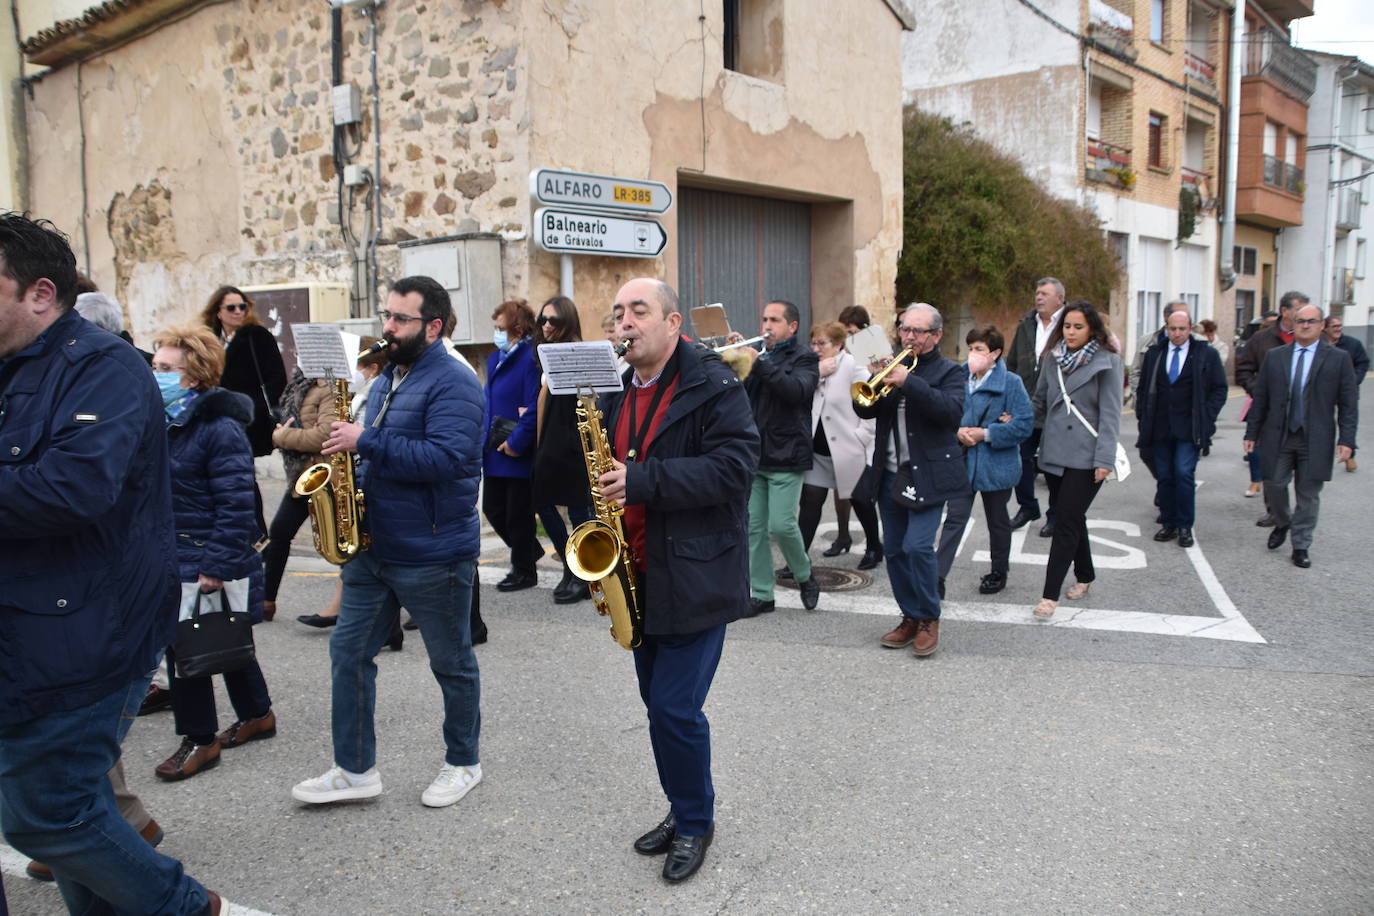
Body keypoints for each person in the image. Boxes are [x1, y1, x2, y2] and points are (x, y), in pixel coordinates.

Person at [0, 212, 233, 914]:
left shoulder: (102, 368)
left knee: (48, 815)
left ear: (40, 294)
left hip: (88, 626)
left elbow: (72, 488)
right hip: (34, 624)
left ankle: (187, 907)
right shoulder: (17, 366)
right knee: (72, 806)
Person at [292, 275, 485, 809]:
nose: (389, 327)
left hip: (432, 550)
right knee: (348, 653)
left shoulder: (456, 382)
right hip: (372, 546)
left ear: (433, 327)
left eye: (401, 319)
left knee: (451, 664)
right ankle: (354, 769)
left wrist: (366, 440)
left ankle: (463, 762)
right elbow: (372, 447)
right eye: (387, 315)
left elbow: (448, 459)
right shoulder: (387, 378)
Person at [596, 277, 758, 882]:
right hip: (638, 572)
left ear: (672, 324)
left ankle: (695, 822)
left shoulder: (715, 384)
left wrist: (644, 481)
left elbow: (735, 469)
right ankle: (681, 804)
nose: (625, 322)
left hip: (696, 573)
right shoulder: (617, 389)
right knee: (657, 707)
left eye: (639, 311)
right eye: (619, 313)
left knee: (674, 709)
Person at [149, 326, 277, 781]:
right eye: (155, 365)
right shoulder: (165, 421)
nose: (156, 374)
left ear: (195, 376)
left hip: (202, 554)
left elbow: (237, 504)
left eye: (166, 368)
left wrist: (216, 566)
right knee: (223, 635)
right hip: (175, 550)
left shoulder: (218, 429)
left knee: (186, 651)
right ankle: (258, 714)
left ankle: (199, 740)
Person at [858, 303, 965, 657]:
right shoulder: (892, 364)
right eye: (904, 328)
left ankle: (929, 617)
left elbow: (951, 412)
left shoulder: (950, 371)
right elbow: (864, 409)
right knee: (894, 550)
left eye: (918, 331)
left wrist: (909, 382)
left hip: (928, 474)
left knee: (918, 547)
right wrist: (874, 380)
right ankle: (909, 615)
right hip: (889, 472)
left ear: (936, 335)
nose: (909, 336)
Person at [1244, 304, 1359, 568]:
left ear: (1322, 325)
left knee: (1308, 494)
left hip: (1315, 438)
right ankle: (1283, 522)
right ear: (1293, 324)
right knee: (1273, 483)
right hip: (1279, 435)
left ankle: (1301, 544)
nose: (1305, 326)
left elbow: (1348, 404)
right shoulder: (1275, 357)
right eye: (1300, 321)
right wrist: (1252, 432)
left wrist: (1347, 440)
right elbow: (1261, 398)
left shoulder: (1338, 359)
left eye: (1311, 321)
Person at [1030, 302, 1123, 619]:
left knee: (1065, 521)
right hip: (1055, 451)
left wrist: (1105, 459)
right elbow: (1039, 403)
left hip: (1087, 455)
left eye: (1078, 327)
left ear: (1092, 329)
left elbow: (1111, 415)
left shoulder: (1107, 362)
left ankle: (1049, 595)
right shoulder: (1052, 358)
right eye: (1067, 326)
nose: (1071, 332)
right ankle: (1085, 574)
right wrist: (1014, 420)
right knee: (1072, 516)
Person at [295, 339, 394, 631]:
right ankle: (384, 627)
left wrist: (358, 440)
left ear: (372, 369)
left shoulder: (380, 390)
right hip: (358, 476)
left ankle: (385, 626)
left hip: (371, 478)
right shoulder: (361, 394)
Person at [731, 300, 822, 613]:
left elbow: (796, 391)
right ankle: (763, 594)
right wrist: (736, 358)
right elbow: (739, 394)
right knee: (754, 528)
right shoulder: (758, 354)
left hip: (788, 453)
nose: (766, 326)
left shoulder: (806, 358)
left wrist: (759, 363)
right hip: (756, 454)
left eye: (774, 320)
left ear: (792, 326)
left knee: (782, 525)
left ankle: (805, 575)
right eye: (764, 319)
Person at [937, 325, 1034, 595]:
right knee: (955, 518)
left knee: (997, 520)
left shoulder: (1011, 383)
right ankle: (937, 576)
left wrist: (987, 433)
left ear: (995, 353)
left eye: (979, 349)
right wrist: (957, 431)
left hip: (996, 464)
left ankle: (998, 571)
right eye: (970, 348)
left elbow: (1024, 425)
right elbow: (944, 414)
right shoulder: (958, 377)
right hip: (962, 460)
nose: (973, 354)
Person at [1134, 308, 1228, 548]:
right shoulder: (1155, 353)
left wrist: (1207, 416)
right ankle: (1169, 523)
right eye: (1172, 329)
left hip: (1189, 427)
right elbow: (1143, 388)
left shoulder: (1205, 354)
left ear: (1190, 329)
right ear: (1166, 328)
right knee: (1165, 476)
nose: (1177, 333)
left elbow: (1219, 388)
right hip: (1160, 426)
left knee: (1183, 473)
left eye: (1182, 329)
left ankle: (1185, 526)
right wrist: (1142, 416)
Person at [797, 321, 881, 569]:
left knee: (860, 501)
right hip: (818, 450)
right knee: (810, 502)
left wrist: (862, 437)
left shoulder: (853, 366)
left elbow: (871, 403)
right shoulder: (813, 367)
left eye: (821, 343)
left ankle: (874, 548)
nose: (815, 348)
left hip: (848, 448)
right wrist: (817, 373)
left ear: (838, 344)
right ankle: (798, 560)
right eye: (813, 343)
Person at [532, 295, 596, 603]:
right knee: (544, 505)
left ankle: (581, 574)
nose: (546, 325)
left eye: (553, 320)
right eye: (542, 319)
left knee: (578, 511)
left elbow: (586, 401)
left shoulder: (575, 352)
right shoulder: (546, 352)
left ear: (567, 322)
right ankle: (571, 566)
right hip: (549, 445)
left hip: (571, 447)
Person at [483, 298, 544, 592]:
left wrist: (517, 441)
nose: (497, 333)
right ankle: (529, 552)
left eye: (501, 328)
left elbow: (533, 405)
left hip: (517, 446)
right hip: (495, 446)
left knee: (517, 515)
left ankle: (524, 570)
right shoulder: (495, 357)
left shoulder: (531, 357)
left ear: (517, 329)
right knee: (493, 510)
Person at [1004, 277, 1066, 537]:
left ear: (1059, 299)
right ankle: (1028, 506)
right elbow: (1012, 363)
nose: (1038, 297)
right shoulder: (1026, 324)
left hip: (1057, 406)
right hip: (1027, 403)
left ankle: (1055, 515)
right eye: (1037, 293)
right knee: (1019, 458)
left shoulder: (1068, 323)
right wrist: (1008, 400)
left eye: (1044, 293)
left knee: (1052, 466)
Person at [1236, 291, 1302, 522]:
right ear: (1285, 311)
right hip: (1270, 415)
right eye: (1298, 310)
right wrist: (1260, 392)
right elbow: (1243, 369)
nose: (1304, 317)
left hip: (1303, 415)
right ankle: (1275, 512)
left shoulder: (1314, 338)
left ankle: (1302, 517)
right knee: (1272, 467)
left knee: (1305, 472)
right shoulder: (1261, 339)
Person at [1324, 315, 1368, 471]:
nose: (1338, 329)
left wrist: (1354, 380)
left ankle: (1350, 455)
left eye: (1340, 325)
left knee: (1348, 421)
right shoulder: (1319, 343)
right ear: (1325, 328)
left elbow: (1363, 363)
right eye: (1334, 326)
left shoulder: (1353, 344)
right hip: (1324, 391)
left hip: (1347, 390)